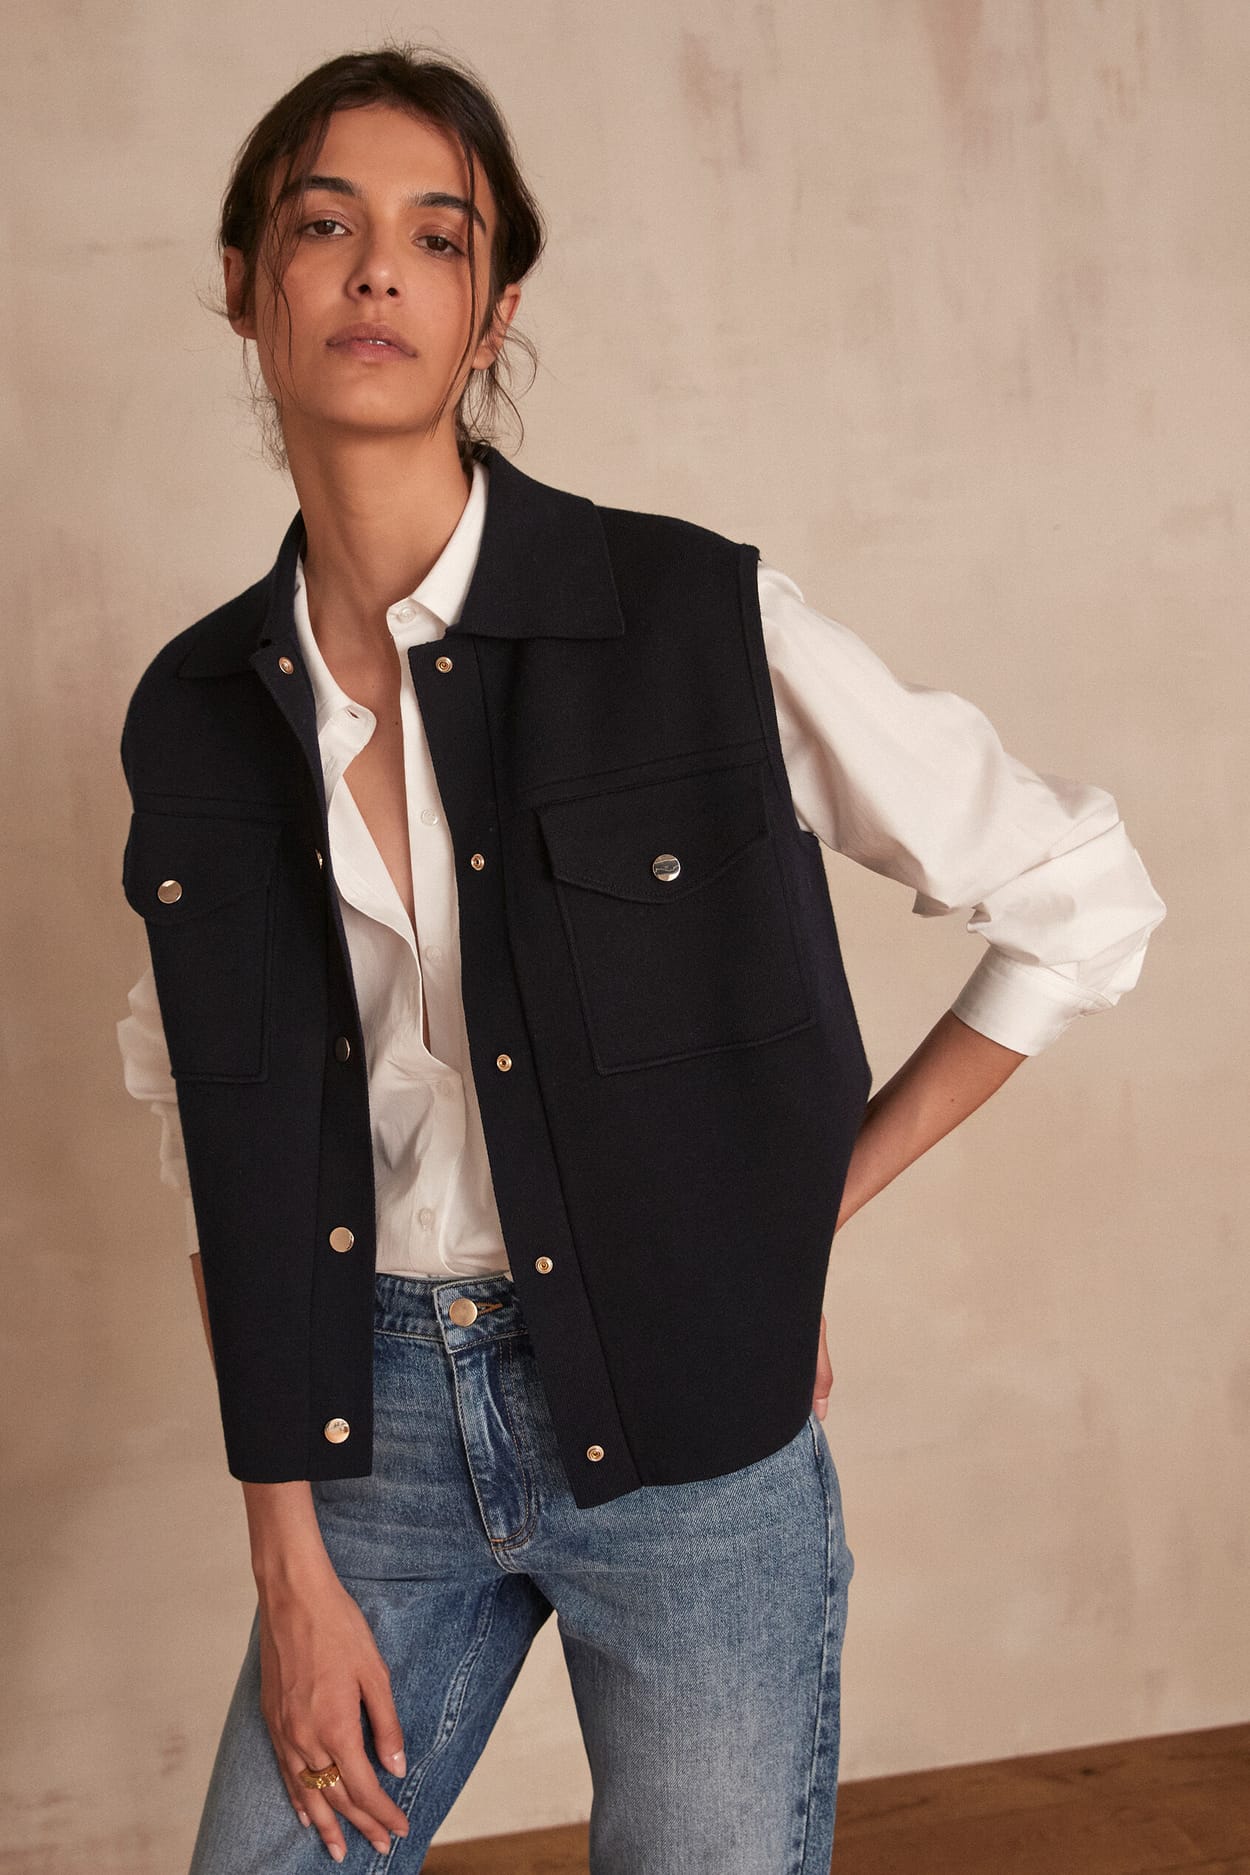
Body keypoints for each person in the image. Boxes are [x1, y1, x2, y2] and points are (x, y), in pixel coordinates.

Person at [115, 44, 1166, 1875]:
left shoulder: (687, 616)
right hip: (365, 1437)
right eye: (324, 225)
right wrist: (285, 1556)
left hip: (697, 1445)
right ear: (243, 284)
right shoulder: (195, 710)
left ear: (492, 311)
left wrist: (780, 1227)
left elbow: (1078, 895)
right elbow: (207, 1132)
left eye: (437, 237)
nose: (378, 271)